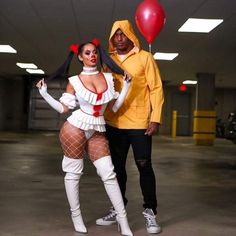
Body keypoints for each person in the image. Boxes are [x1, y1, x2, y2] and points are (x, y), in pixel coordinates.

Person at [36, 39, 133, 236]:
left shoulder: (107, 78)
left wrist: (126, 88)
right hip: (75, 127)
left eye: (95, 52)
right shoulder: (74, 81)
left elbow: (113, 108)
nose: (92, 56)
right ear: (80, 57)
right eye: (87, 53)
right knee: (74, 173)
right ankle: (76, 217)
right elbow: (64, 109)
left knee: (109, 173)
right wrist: (45, 95)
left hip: (97, 127)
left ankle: (124, 222)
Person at [96, 20, 164, 234]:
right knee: (116, 170)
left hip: (139, 122)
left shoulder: (145, 58)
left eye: (122, 34)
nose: (118, 38)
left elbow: (156, 88)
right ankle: (118, 208)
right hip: (114, 122)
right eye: (114, 35)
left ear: (130, 36)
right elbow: (103, 89)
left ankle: (150, 211)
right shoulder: (108, 60)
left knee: (144, 166)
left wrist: (155, 118)